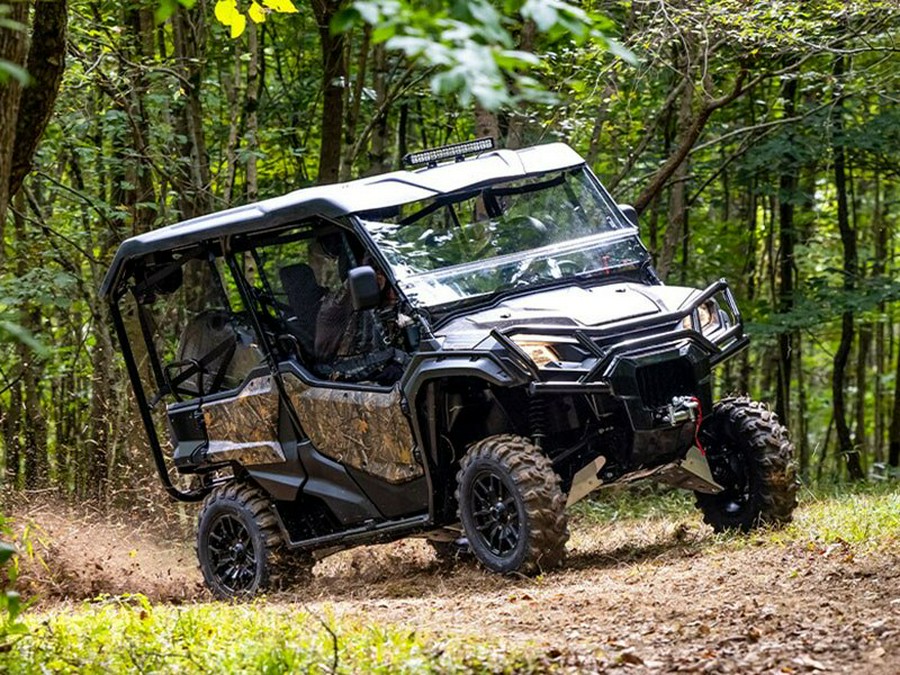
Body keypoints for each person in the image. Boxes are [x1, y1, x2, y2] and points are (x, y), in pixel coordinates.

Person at [313, 247, 411, 385]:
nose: (397, 294)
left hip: (373, 368)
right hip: (341, 376)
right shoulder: (341, 302)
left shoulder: (382, 307)